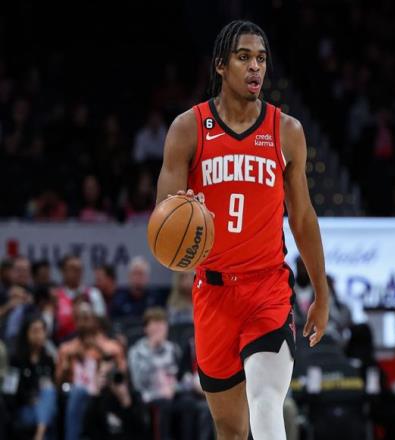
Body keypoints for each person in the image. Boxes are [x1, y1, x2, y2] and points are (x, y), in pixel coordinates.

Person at [155, 20, 329, 440]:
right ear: (220, 65)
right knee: (231, 430)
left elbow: (303, 218)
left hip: (267, 289)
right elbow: (163, 220)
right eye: (244, 57)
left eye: (261, 59)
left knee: (266, 403)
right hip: (213, 294)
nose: (255, 67)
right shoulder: (188, 128)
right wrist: (181, 212)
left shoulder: (286, 131)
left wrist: (322, 294)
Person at [56, 301, 126, 440]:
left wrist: (102, 354)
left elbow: (122, 376)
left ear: (95, 320)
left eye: (87, 318)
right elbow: (58, 382)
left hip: (103, 392)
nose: (84, 323)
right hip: (75, 393)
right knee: (78, 392)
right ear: (75, 322)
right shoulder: (66, 349)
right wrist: (67, 364)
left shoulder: (111, 347)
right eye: (80, 319)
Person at [128, 308, 181, 439]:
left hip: (173, 393)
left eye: (162, 324)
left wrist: (173, 388)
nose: (159, 329)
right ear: (146, 328)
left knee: (193, 405)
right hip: (150, 395)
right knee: (164, 404)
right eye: (155, 324)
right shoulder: (136, 351)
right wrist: (151, 350)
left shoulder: (173, 349)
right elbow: (138, 383)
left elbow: (179, 377)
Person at [5, 315, 57, 440]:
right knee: (47, 414)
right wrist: (29, 398)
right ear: (26, 333)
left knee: (49, 394)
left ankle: (40, 433)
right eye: (35, 331)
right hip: (25, 408)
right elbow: (8, 391)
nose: (39, 335)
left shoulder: (48, 360)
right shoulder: (16, 360)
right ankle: (41, 433)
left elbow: (53, 386)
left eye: (42, 330)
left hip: (44, 406)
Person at [83, 355, 146, 440]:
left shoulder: (133, 396)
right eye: (104, 375)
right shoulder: (98, 399)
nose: (109, 379)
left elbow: (143, 431)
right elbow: (89, 431)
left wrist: (126, 402)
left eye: (111, 374)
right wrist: (96, 394)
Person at [53, 254, 106, 341]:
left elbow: (101, 324)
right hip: (61, 342)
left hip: (89, 342)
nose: (77, 272)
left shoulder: (93, 294)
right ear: (63, 271)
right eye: (73, 269)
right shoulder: (55, 295)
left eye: (79, 269)